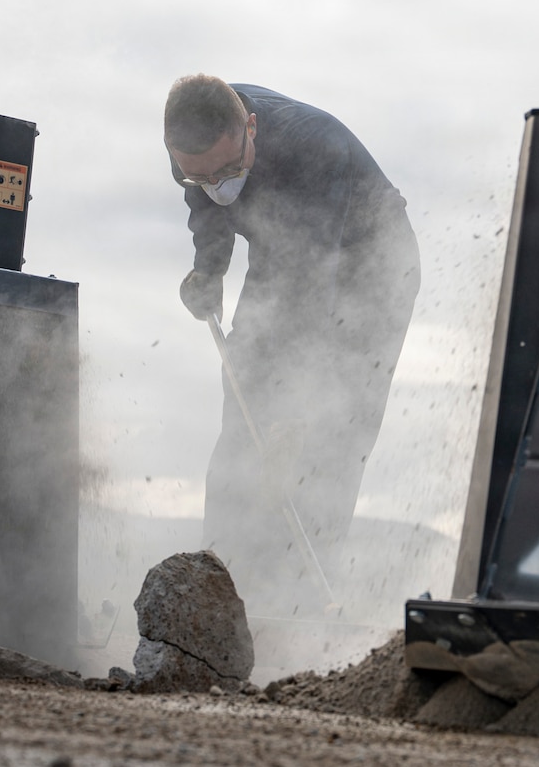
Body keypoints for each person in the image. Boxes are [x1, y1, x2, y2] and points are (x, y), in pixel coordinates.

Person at [165, 75, 420, 616]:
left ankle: (302, 605)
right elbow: (208, 208)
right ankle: (219, 590)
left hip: (372, 263)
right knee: (244, 410)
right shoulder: (193, 148)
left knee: (331, 428)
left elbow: (311, 278)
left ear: (250, 128)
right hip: (282, 255)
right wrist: (208, 272)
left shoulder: (312, 147)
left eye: (230, 172)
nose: (218, 185)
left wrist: (296, 405)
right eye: (201, 176)